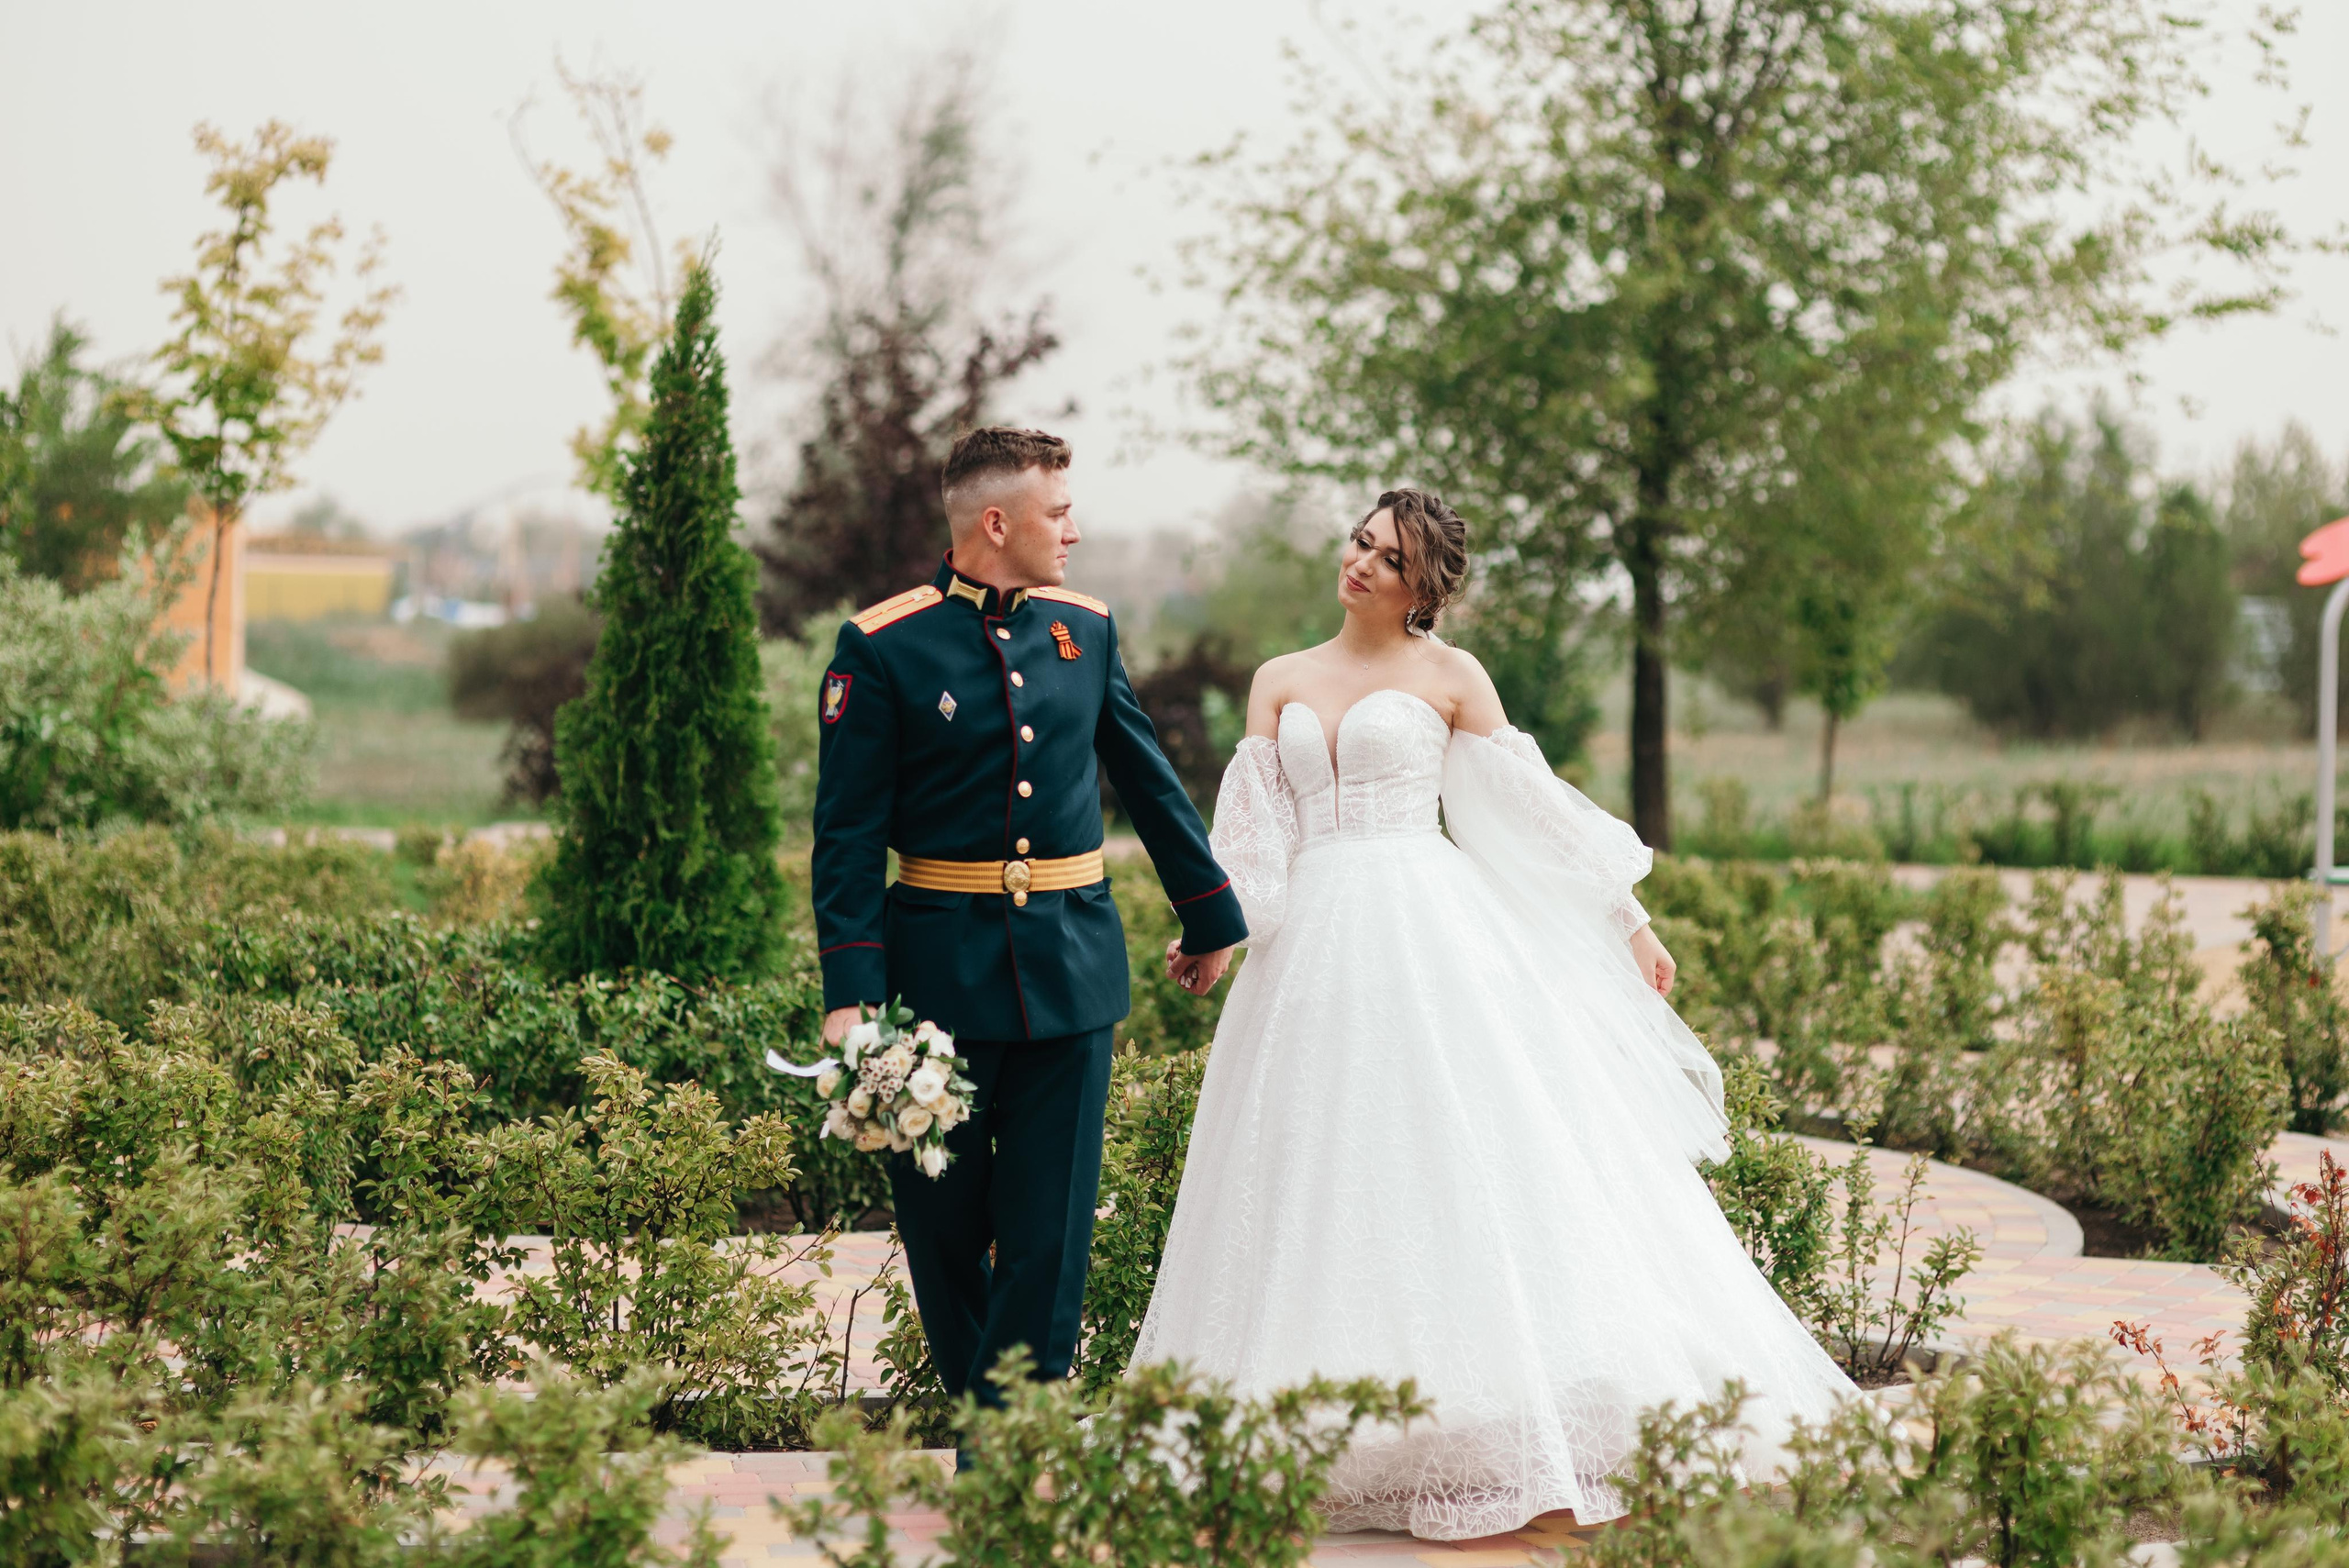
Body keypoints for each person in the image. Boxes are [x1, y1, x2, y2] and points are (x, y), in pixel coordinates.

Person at [1134, 488, 1857, 1540]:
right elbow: (1253, 840)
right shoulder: (1277, 679)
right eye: (1358, 541)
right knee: (1318, 1171)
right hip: (1308, 962)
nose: (1360, 564)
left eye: (1385, 557)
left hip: (1429, 939)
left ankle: (1496, 1418)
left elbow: (1533, 811)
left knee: (1457, 1160)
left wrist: (1631, 922)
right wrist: (1217, 932)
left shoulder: (1449, 676)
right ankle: (1319, 1412)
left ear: (1423, 586)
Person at [809, 427, 1244, 1448]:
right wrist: (849, 995)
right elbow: (846, 837)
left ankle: (1007, 1445)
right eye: (1059, 513)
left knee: (1048, 1234)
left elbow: (1143, 775)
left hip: (1070, 970)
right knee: (945, 1229)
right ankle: (994, 1425)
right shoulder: (881, 646)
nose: (1075, 531)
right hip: (933, 985)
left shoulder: (1083, 630)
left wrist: (1208, 911)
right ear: (995, 523)